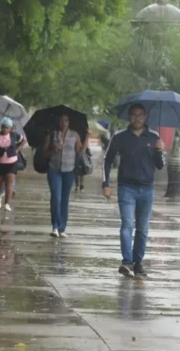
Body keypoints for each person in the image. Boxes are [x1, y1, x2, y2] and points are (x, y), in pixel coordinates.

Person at [102, 105, 165, 278]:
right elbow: (107, 160)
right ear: (129, 117)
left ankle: (138, 263)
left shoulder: (154, 137)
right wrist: (105, 184)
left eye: (140, 115)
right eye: (133, 115)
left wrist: (160, 150)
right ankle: (127, 262)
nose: (137, 119)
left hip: (147, 189)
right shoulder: (120, 137)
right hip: (126, 188)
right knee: (127, 224)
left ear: (145, 117)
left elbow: (160, 165)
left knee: (142, 229)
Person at [43, 113, 89, 238]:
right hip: (54, 170)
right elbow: (44, 153)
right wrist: (54, 150)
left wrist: (87, 137)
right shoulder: (52, 134)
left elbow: (80, 152)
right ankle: (55, 226)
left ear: (69, 122)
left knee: (64, 199)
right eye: (61, 120)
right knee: (56, 198)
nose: (64, 123)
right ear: (58, 122)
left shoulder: (74, 135)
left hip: (69, 170)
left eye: (66, 120)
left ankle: (62, 228)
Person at [0, 117, 26, 212]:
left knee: (9, 184)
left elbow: (24, 140)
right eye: (3, 127)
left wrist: (18, 149)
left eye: (7, 128)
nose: (5, 129)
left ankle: (7, 204)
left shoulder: (14, 135)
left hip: (12, 163)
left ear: (10, 128)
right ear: (1, 127)